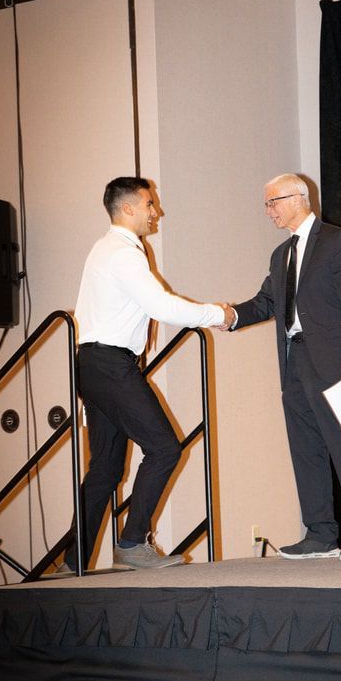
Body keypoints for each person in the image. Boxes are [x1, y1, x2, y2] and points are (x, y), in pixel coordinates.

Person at [59, 177, 234, 572]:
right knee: (165, 448)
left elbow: (141, 308)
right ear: (128, 209)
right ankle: (132, 543)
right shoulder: (121, 253)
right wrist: (217, 314)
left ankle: (73, 562)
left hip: (94, 363)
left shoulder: (109, 251)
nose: (157, 212)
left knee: (104, 467)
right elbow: (162, 305)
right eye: (150, 204)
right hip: (108, 364)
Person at [227, 174, 341, 561]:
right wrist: (228, 315)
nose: (268, 211)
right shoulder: (280, 255)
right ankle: (321, 534)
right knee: (305, 448)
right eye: (266, 204)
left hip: (332, 360)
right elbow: (266, 303)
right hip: (293, 360)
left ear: (299, 198)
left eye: (273, 202)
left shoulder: (335, 240)